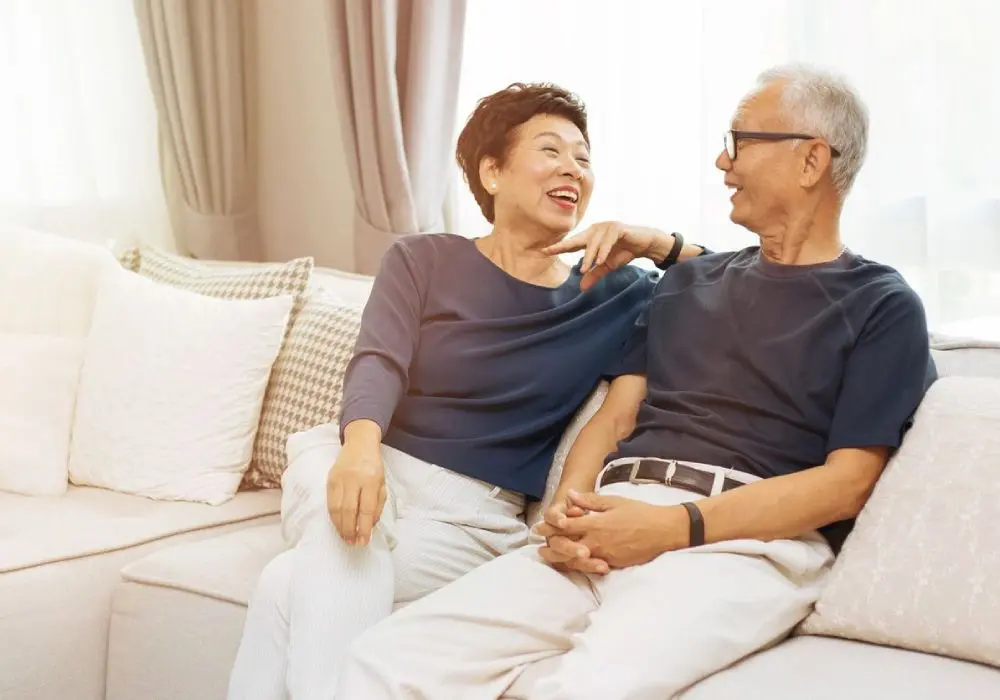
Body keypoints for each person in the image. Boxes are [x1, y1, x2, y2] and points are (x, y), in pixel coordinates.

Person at [334, 65, 937, 700]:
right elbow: (616, 418)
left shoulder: (882, 304)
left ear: (812, 160)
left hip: (736, 544)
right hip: (609, 519)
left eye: (739, 142)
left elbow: (849, 483)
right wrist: (565, 514)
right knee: (382, 661)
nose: (721, 162)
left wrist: (674, 527)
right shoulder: (687, 284)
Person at [226, 83, 704, 700]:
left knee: (285, 585)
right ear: (492, 171)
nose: (572, 169)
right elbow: (379, 360)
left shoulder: (619, 294)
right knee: (342, 526)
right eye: (550, 150)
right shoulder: (422, 259)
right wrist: (361, 448)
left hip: (471, 515)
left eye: (583, 158)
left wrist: (657, 242)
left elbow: (738, 280)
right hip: (360, 456)